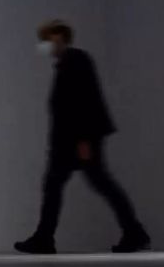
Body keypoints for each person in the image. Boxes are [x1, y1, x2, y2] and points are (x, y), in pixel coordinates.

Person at [15, 20, 150, 254]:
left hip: (77, 141)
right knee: (73, 185)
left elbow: (84, 101)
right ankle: (45, 237)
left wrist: (84, 140)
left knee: (91, 184)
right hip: (69, 142)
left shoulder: (76, 61)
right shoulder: (69, 62)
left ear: (58, 38)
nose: (45, 46)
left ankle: (133, 233)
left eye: (48, 39)